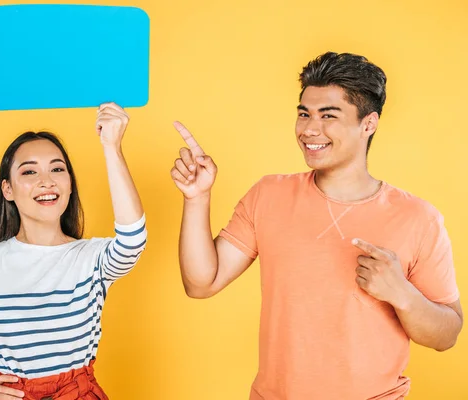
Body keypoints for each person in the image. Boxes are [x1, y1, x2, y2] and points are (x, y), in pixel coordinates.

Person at [170, 52, 463, 399]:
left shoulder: (418, 218)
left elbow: (447, 335)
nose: (310, 129)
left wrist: (402, 295)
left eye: (328, 116)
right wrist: (197, 198)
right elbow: (202, 283)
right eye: (304, 114)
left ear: (368, 124)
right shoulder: (269, 195)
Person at [0, 103, 146, 400]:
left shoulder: (91, 260)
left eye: (57, 169)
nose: (46, 181)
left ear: (70, 185)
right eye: (29, 172)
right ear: (8, 190)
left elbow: (132, 239)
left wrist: (112, 147)